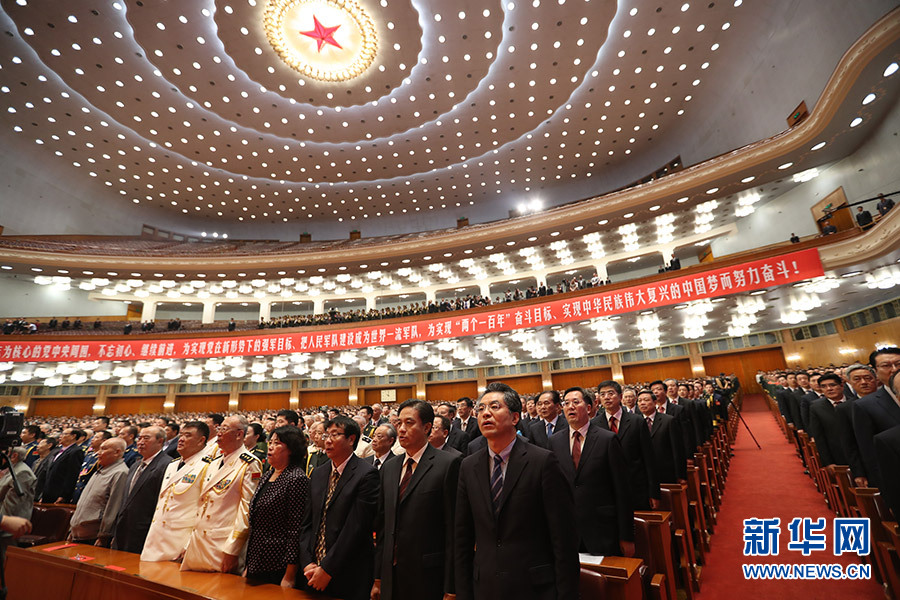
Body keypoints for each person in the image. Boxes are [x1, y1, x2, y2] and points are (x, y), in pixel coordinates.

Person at [455, 382, 579, 600]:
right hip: (485, 586)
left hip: (534, 586)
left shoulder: (542, 461)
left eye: (494, 407)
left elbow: (563, 537)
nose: (486, 414)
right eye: (481, 409)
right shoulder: (469, 465)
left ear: (514, 417)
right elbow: (463, 535)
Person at [373, 399, 462, 600]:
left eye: (409, 423)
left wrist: (452, 585)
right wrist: (378, 577)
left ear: (427, 427)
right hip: (391, 574)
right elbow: (383, 526)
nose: (401, 429)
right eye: (399, 423)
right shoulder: (390, 467)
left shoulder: (448, 464)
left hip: (429, 574)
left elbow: (454, 529)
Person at [298, 415, 378, 600]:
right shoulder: (318, 473)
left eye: (334, 435)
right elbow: (306, 523)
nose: (327, 440)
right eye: (326, 435)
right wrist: (307, 563)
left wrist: (327, 569)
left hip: (347, 572)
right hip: (311, 572)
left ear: (351, 439)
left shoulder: (367, 474)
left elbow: (356, 528)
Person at [550, 387, 633, 557]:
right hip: (568, 530)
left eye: (576, 402)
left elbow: (622, 490)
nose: (570, 407)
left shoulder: (607, 439)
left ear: (588, 409)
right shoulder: (554, 441)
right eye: (566, 403)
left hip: (602, 529)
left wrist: (626, 536)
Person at [181, 415, 262, 573]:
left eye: (224, 429)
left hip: (221, 544)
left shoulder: (249, 463)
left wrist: (232, 549)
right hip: (199, 541)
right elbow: (201, 505)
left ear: (239, 434)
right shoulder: (214, 462)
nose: (218, 433)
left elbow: (245, 511)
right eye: (219, 428)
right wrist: (188, 543)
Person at [245, 426, 310, 587]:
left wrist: (289, 574)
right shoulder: (268, 474)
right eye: (270, 442)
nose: (271, 446)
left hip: (277, 564)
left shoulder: (296, 478)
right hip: (256, 558)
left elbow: (295, 529)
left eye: (277, 443)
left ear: (291, 449)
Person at [141, 422, 212, 562]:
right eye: (181, 435)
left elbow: (204, 509)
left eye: (188, 435)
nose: (181, 439)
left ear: (201, 440)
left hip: (178, 540)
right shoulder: (172, 465)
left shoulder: (208, 466)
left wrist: (190, 544)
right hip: (156, 536)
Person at [593, 380, 659, 510]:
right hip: (608, 490)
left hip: (636, 487)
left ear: (620, 397)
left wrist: (653, 492)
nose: (606, 397)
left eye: (610, 393)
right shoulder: (594, 425)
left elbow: (649, 458)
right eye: (602, 394)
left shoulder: (637, 421)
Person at [107, 426, 170, 553]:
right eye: (139, 438)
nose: (140, 442)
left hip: (144, 532)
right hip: (123, 530)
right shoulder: (135, 465)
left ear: (160, 441)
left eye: (146, 438)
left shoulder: (167, 464)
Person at [67, 438, 129, 544]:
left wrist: (104, 534)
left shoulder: (120, 473)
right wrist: (72, 529)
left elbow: (113, 506)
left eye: (103, 449)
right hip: (79, 533)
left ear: (117, 452)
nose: (98, 453)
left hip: (94, 535)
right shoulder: (100, 469)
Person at [637, 389, 685, 484]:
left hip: (666, 471)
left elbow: (677, 449)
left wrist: (680, 475)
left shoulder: (668, 420)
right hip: (644, 474)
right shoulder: (635, 422)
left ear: (655, 402)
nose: (642, 403)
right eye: (639, 401)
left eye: (646, 400)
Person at [0, 446, 36, 562]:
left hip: (7, 529)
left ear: (13, 455)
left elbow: (11, 507)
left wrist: (3, 523)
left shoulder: (22, 472)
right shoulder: (12, 469)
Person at [40, 427, 85, 503]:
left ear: (73, 436)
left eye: (64, 434)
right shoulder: (58, 450)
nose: (61, 436)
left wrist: (64, 495)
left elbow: (72, 474)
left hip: (58, 493)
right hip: (48, 491)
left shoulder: (76, 451)